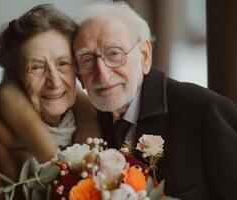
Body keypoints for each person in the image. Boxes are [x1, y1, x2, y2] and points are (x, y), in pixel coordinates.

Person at [72, 1, 237, 200]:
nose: (103, 75)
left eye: (114, 53)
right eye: (87, 60)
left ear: (145, 55)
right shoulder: (85, 126)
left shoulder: (204, 112)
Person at [0, 4, 100, 199]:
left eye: (63, 63)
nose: (54, 81)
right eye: (36, 68)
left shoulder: (102, 120)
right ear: (16, 76)